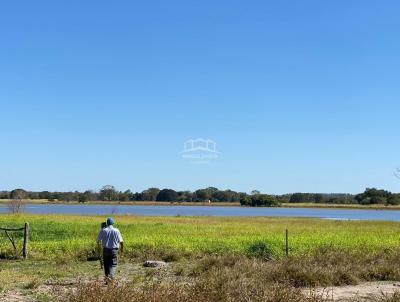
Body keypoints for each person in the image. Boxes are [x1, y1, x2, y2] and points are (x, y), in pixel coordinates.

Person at [97, 217, 124, 282]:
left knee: (106, 264)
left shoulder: (103, 230)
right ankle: (111, 276)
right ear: (113, 223)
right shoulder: (116, 230)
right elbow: (121, 241)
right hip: (114, 250)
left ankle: (107, 279)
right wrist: (122, 249)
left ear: (107, 223)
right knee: (113, 264)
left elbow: (98, 240)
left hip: (105, 249)